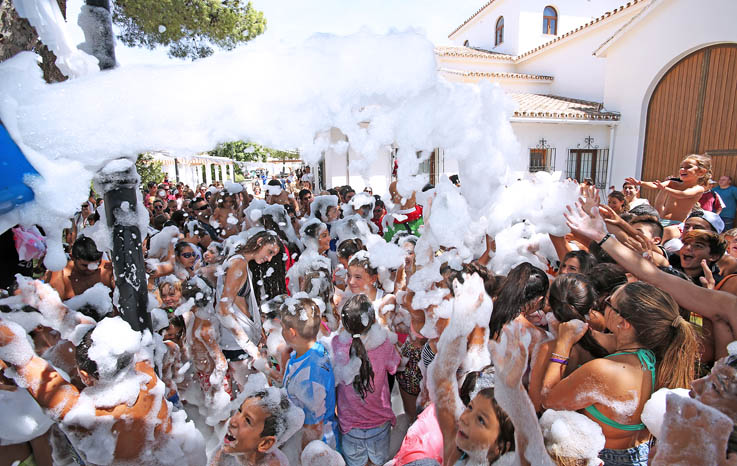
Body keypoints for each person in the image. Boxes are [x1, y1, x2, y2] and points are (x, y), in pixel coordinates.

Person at [540, 282, 698, 465]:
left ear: (623, 322)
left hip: (605, 459)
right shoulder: (667, 361)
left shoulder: (604, 371)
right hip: (643, 456)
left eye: (609, 303)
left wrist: (563, 344)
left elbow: (548, 399)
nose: (603, 306)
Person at [332, 294, 400, 466]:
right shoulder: (383, 344)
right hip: (379, 423)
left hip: (350, 426)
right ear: (372, 321)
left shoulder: (336, 344)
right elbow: (394, 366)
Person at [217, 231, 280, 376]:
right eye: (269, 252)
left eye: (273, 255)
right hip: (237, 344)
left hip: (241, 340)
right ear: (259, 242)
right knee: (251, 393)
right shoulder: (238, 264)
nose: (269, 259)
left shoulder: (239, 262)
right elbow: (223, 310)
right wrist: (248, 346)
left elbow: (239, 304)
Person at [280, 297, 338, 451]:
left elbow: (314, 428)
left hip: (319, 445)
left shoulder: (310, 379)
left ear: (292, 332)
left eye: (282, 328)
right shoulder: (312, 349)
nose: (281, 332)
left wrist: (302, 457)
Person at [214, 388, 303, 466]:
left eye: (248, 420)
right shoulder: (228, 448)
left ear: (265, 443)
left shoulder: (274, 463)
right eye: (240, 410)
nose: (233, 421)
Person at [625, 153, 712, 225]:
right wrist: (640, 183)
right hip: (662, 221)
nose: (682, 169)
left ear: (701, 172)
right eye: (681, 167)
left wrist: (665, 189)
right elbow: (655, 185)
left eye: (688, 167)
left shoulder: (698, 188)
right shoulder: (673, 183)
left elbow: (682, 194)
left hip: (677, 223)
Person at [46, 236, 113, 300]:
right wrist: (56, 273)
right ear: (72, 258)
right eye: (85, 265)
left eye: (96, 264)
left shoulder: (108, 270)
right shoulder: (60, 273)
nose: (91, 269)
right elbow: (53, 305)